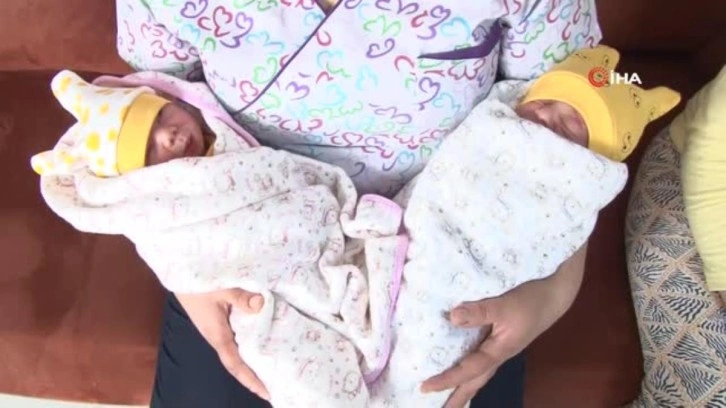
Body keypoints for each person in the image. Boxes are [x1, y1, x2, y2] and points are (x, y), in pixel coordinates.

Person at [114, 0, 607, 406]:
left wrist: (552, 292)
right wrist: (185, 277)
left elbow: (580, 125)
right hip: (250, 253)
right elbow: (140, 118)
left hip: (456, 253)